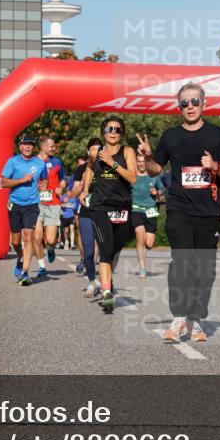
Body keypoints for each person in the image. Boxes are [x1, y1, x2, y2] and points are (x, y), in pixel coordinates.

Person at [137, 83, 220, 343]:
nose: (189, 106)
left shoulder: (217, 135)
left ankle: (195, 319)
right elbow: (155, 170)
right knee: (181, 261)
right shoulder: (170, 137)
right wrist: (147, 157)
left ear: (204, 104)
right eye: (184, 103)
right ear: (178, 106)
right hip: (179, 206)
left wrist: (213, 165)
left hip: (208, 211)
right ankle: (179, 317)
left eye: (194, 101)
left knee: (205, 269)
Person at [83, 117, 137, 313]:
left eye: (117, 129)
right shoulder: (96, 152)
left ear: (122, 132)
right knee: (105, 250)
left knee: (115, 249)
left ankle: (107, 280)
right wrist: (85, 189)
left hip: (122, 207)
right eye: (109, 128)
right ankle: (106, 293)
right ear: (103, 132)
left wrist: (113, 163)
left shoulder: (128, 151)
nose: (113, 132)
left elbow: (132, 177)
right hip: (100, 207)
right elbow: (89, 168)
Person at [0, 136, 45, 286]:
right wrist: (21, 180)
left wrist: (43, 186)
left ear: (33, 148)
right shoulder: (13, 162)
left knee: (28, 236)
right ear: (20, 147)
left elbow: (44, 180)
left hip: (32, 205)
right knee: (16, 241)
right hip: (15, 205)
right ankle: (20, 258)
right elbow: (3, 182)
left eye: (31, 145)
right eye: (25, 144)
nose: (28, 147)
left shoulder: (40, 164)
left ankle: (25, 272)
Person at [33, 136, 67, 277]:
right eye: (52, 146)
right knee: (37, 236)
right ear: (43, 147)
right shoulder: (33, 162)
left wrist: (62, 188)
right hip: (36, 203)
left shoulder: (57, 162)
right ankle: (41, 267)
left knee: (51, 239)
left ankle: (51, 249)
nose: (54, 148)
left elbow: (63, 179)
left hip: (53, 203)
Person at [131, 153, 164, 277]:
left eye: (143, 161)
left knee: (149, 244)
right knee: (140, 235)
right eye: (138, 161)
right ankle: (142, 268)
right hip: (136, 209)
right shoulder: (132, 176)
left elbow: (162, 189)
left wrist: (157, 192)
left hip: (151, 210)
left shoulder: (153, 176)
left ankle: (144, 247)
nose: (141, 164)